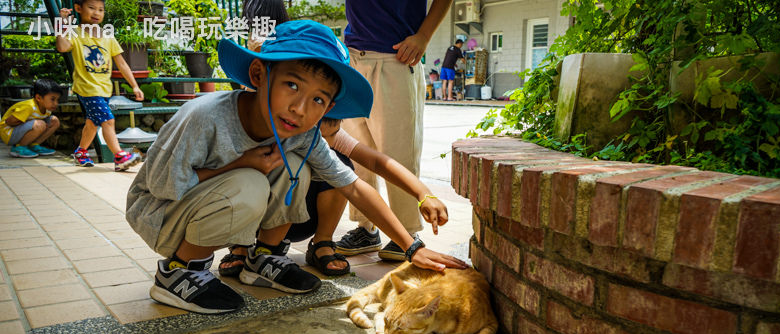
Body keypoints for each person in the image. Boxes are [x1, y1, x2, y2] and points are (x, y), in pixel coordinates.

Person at [125, 20, 466, 315]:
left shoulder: (302, 135)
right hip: (161, 213)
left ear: (330, 106)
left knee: (296, 166)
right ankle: (180, 271)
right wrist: (243, 163)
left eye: (318, 99)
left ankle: (263, 258)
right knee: (250, 182)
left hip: (207, 206)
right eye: (292, 85)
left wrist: (413, 248)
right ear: (260, 74)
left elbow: (353, 186)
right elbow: (162, 185)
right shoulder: (206, 117)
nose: (301, 109)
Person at [218, 117, 451, 278]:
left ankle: (322, 243)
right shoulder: (267, 129)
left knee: (340, 164)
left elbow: (376, 162)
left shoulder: (329, 132)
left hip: (301, 219)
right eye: (322, 137)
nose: (326, 144)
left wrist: (423, 194)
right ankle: (242, 245)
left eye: (333, 135)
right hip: (258, 218)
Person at [336, 0, 453, 261]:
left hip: (397, 55)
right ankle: (365, 227)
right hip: (353, 56)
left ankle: (407, 232)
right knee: (357, 152)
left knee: (398, 150)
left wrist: (424, 36)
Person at [55, 0, 143, 171]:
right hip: (87, 87)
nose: (97, 13)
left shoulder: (108, 36)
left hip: (104, 88)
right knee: (108, 120)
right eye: (92, 8)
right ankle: (119, 156)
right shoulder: (75, 33)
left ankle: (80, 152)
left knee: (92, 124)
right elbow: (62, 46)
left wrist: (135, 86)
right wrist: (62, 23)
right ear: (79, 8)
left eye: (101, 9)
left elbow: (122, 64)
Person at [0, 78, 62, 158]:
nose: (56, 103)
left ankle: (34, 145)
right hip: (8, 133)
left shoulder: (47, 109)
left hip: (19, 131)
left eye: (57, 100)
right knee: (40, 124)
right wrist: (31, 123)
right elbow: (9, 121)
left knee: (54, 121)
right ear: (38, 98)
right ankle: (19, 148)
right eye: (52, 99)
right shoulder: (29, 106)